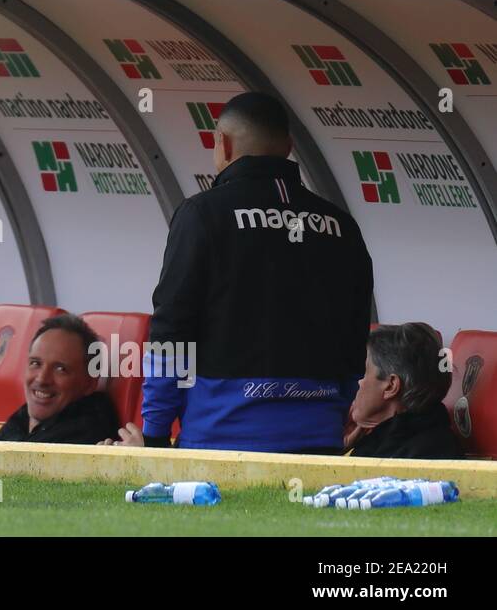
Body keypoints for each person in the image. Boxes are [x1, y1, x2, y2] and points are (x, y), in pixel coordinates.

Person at [131, 91, 373, 453]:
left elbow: (171, 331)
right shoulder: (343, 226)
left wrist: (154, 432)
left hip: (221, 441)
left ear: (223, 144)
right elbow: (356, 338)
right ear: (289, 147)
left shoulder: (202, 214)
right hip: (318, 440)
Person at [0, 314, 120, 444]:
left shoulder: (83, 436)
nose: (42, 379)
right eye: (36, 363)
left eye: (60, 369)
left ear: (89, 384)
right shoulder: (23, 419)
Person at [347, 323, 465, 460]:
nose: (357, 383)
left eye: (363, 373)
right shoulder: (379, 441)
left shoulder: (427, 453)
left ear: (391, 386)